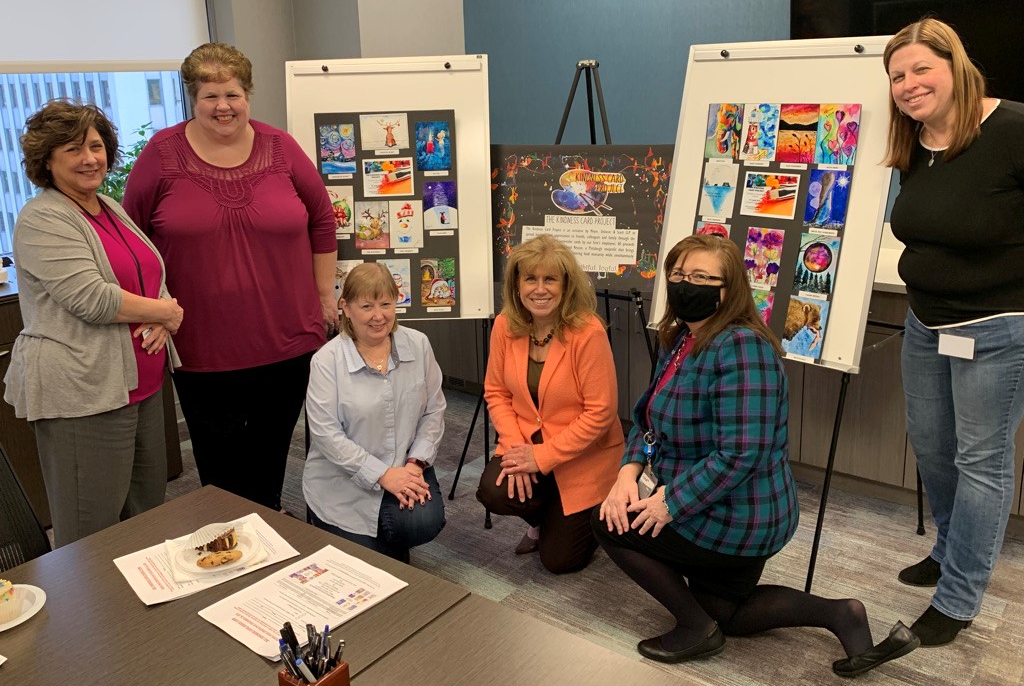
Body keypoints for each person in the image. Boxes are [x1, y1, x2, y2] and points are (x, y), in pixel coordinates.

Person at [593, 235, 919, 677]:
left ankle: (693, 628)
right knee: (725, 611)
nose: (687, 285)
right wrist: (627, 473)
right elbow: (647, 416)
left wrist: (670, 503)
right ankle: (841, 613)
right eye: (680, 275)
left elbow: (743, 454)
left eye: (703, 278)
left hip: (742, 512)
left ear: (731, 290)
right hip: (716, 498)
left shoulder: (742, 347)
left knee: (607, 525)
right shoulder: (684, 338)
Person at [123, 42, 337, 511]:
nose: (223, 107)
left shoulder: (281, 147)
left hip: (287, 340)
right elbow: (129, 239)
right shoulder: (161, 154)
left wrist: (325, 297)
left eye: (233, 94)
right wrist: (150, 308)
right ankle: (232, 546)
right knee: (219, 469)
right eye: (210, 96)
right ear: (192, 99)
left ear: (248, 95)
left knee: (270, 457)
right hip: (201, 346)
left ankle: (267, 544)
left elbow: (323, 218)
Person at [884, 17, 1024, 646]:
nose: (908, 85)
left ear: (955, 65)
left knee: (981, 461)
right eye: (896, 76)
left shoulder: (1014, 129)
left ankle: (960, 594)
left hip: (997, 329)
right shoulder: (915, 142)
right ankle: (949, 547)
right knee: (934, 447)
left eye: (920, 69)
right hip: (925, 323)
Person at [4, 100, 183, 547]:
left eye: (96, 146)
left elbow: (148, 274)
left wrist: (160, 313)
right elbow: (91, 298)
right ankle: (88, 617)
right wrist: (166, 313)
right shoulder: (43, 217)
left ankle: (142, 615)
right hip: (83, 393)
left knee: (146, 518)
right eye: (72, 149)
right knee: (91, 532)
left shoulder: (106, 205)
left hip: (140, 387)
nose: (89, 158)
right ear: (46, 160)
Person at [476, 234, 623, 574]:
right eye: (530, 278)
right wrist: (516, 452)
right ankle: (545, 514)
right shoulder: (504, 326)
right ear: (517, 284)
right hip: (527, 442)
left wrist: (540, 458)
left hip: (584, 455)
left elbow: (600, 412)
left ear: (565, 284)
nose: (539, 289)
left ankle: (590, 509)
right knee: (493, 491)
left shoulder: (587, 332)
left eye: (549, 279)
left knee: (558, 561)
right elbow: (496, 392)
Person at [303, 262, 446, 562]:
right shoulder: (326, 361)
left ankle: (391, 530)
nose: (378, 316)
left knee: (422, 522)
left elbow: (434, 410)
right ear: (346, 307)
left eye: (386, 304)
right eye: (367, 306)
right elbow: (327, 436)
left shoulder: (418, 345)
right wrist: (381, 474)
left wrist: (415, 464)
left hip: (406, 466)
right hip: (343, 480)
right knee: (364, 568)